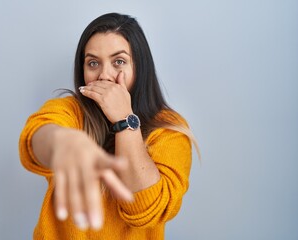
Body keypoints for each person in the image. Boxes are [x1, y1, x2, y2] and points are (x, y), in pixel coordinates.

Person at [19, 12, 198, 240]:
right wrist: (63, 143)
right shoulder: (70, 111)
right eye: (93, 63)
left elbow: (146, 210)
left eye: (119, 62)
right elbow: (35, 139)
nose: (104, 75)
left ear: (140, 67)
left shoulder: (170, 130)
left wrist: (124, 119)